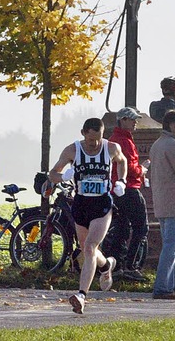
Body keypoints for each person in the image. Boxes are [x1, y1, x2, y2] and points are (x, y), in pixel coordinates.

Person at [49, 117, 127, 314]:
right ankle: (106, 265)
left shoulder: (110, 148)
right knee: (86, 249)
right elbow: (52, 174)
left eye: (98, 139)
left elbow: (122, 161)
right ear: (83, 133)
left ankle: (81, 295)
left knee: (91, 247)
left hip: (102, 204)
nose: (94, 144)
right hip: (81, 203)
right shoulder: (72, 150)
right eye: (91, 140)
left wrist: (122, 181)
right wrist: (63, 176)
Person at [149, 110, 175, 299]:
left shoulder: (157, 144)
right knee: (172, 246)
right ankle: (163, 287)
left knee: (174, 245)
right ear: (172, 125)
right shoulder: (174, 146)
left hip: (161, 201)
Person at [107, 107, 149, 281]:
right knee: (141, 227)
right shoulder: (124, 141)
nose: (135, 122)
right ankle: (132, 266)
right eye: (132, 120)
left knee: (122, 228)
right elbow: (130, 168)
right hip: (129, 188)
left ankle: (116, 267)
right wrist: (143, 168)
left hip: (116, 190)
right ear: (123, 120)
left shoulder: (114, 139)